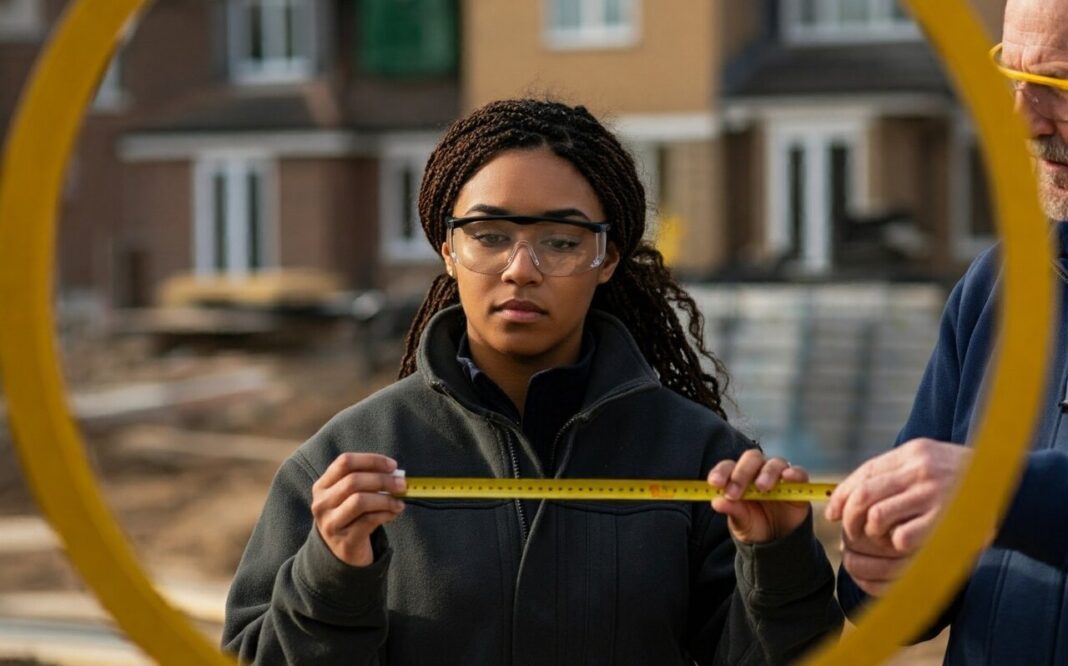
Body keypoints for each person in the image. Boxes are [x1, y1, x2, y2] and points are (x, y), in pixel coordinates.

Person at [222, 98, 843, 665]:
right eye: (490, 236)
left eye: (561, 241)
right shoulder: (341, 465)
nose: (521, 270)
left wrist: (780, 567)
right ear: (447, 249)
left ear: (607, 261)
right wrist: (328, 580)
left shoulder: (703, 462)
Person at [825, 0, 1068, 662]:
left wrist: (1004, 492)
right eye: (1011, 76)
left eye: (1057, 84)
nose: (1022, 117)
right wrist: (881, 565)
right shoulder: (996, 286)